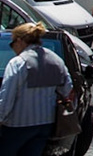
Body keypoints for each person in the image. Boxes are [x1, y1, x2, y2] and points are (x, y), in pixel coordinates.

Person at [0, 22, 71, 156]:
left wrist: (1, 118)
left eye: (12, 43)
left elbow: (7, 97)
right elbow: (67, 89)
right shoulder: (56, 60)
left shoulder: (18, 63)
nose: (13, 48)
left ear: (19, 41)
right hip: (45, 123)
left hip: (18, 124)